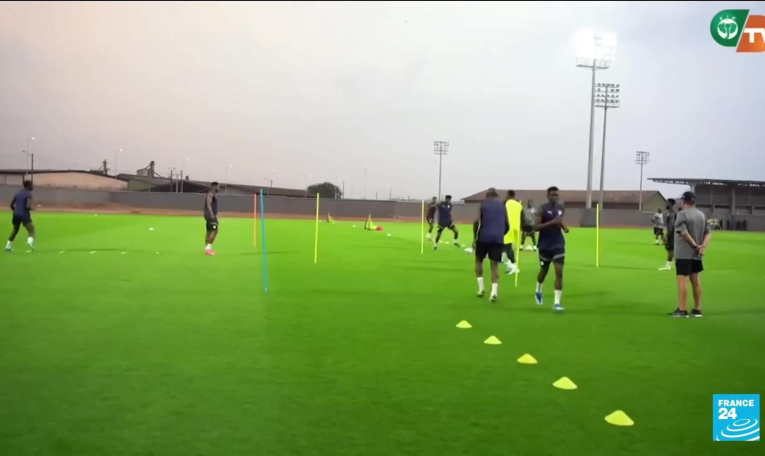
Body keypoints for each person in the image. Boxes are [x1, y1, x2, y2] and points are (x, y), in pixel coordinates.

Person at [669, 192, 711, 318]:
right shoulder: (701, 214)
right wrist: (702, 246)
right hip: (697, 254)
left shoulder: (682, 214)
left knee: (682, 280)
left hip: (684, 253)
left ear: (683, 201)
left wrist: (694, 246)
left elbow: (683, 233)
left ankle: (682, 310)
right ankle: (697, 309)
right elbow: (708, 233)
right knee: (696, 281)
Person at [532, 186, 568, 312]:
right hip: (545, 245)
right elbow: (536, 227)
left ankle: (557, 303)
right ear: (548, 196)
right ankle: (538, 289)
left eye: (556, 194)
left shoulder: (561, 208)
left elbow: (559, 221)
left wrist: (563, 227)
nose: (555, 196)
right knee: (544, 270)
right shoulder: (542, 209)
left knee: (559, 272)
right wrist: (552, 222)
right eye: (553, 195)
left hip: (558, 244)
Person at [472, 188, 509, 302]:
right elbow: (507, 225)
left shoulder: (483, 205)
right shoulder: (503, 206)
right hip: (497, 239)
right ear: (496, 196)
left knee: (479, 260)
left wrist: (475, 237)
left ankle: (481, 288)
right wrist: (500, 234)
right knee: (494, 265)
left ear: (487, 195)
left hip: (484, 237)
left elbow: (477, 222)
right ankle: (494, 292)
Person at [5, 180, 36, 252]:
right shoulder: (28, 194)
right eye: (32, 185)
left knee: (15, 230)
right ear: (28, 185)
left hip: (16, 214)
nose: (33, 186)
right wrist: (32, 208)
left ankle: (8, 247)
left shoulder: (17, 193)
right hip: (24, 214)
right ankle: (30, 242)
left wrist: (16, 211)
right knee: (31, 230)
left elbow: (11, 205)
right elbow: (28, 206)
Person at [503, 190, 522, 275]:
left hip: (508, 227)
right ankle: (510, 264)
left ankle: (514, 266)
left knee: (507, 246)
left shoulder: (506, 203)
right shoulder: (519, 204)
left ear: (508, 195)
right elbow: (522, 216)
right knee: (508, 246)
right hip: (516, 227)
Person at [659, 199, 677, 271]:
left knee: (670, 249)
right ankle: (675, 264)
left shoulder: (672, 213)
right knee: (672, 249)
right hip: (673, 233)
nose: (665, 204)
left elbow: (671, 225)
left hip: (672, 234)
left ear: (670, 203)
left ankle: (668, 266)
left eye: (667, 202)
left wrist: (667, 235)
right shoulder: (670, 212)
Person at [204, 182, 220, 256]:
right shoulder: (211, 194)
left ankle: (207, 248)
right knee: (215, 230)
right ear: (214, 186)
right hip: (210, 215)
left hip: (210, 215)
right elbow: (208, 204)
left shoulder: (213, 194)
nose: (219, 188)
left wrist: (215, 216)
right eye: (218, 187)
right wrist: (212, 214)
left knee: (209, 231)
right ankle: (208, 249)